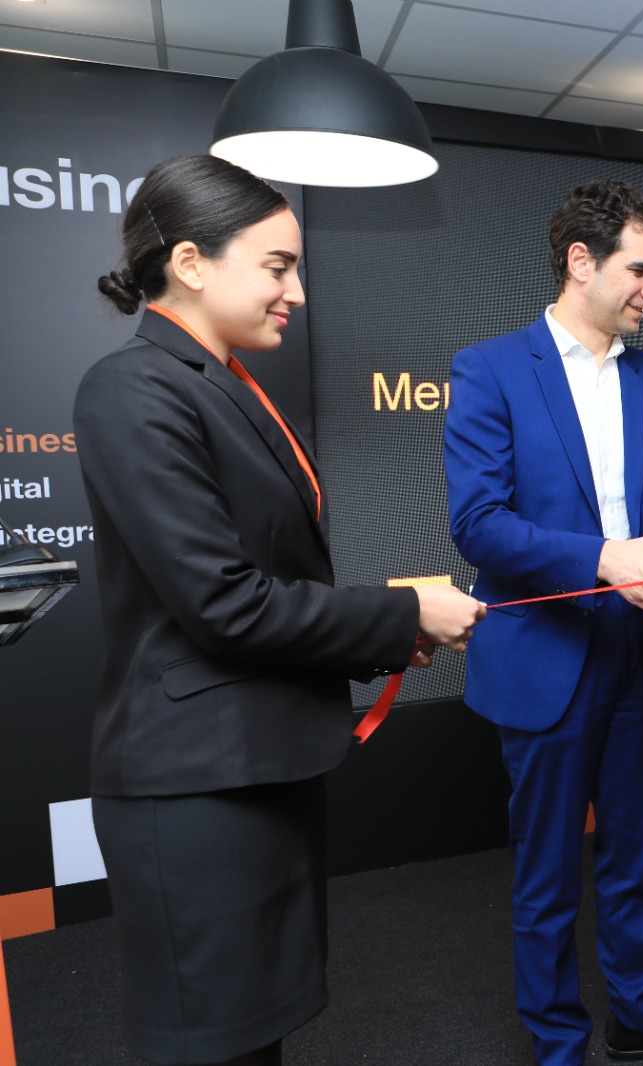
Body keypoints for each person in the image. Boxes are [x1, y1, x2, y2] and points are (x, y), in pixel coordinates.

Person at [74, 154, 484, 1066]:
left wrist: (389, 630)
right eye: (278, 267)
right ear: (190, 262)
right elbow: (224, 603)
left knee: (253, 1038)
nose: (297, 291)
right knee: (209, 1043)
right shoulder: (133, 389)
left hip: (255, 770)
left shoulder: (219, 383)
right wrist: (401, 614)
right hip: (194, 788)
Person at [443, 180, 643, 1066]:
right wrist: (603, 560)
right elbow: (479, 523)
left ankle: (642, 1017)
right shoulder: (490, 369)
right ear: (581, 262)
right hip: (545, 656)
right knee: (546, 875)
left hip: (640, 653)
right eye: (640, 271)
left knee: (638, 859)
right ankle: (558, 1046)